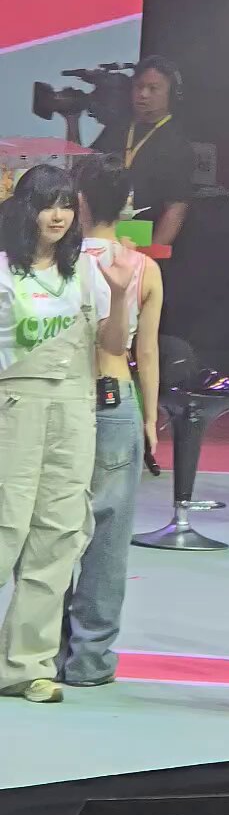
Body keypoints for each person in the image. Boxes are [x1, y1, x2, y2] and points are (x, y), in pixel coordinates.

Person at [0, 164, 132, 703]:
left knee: (58, 535)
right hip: (14, 408)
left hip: (76, 407)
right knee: (5, 527)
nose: (57, 216)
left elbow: (114, 347)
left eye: (65, 205)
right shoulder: (3, 270)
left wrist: (120, 295)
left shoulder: (86, 272)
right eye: (45, 205)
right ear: (24, 210)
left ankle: (25, 665)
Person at [57, 154, 163, 687]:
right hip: (117, 397)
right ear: (126, 205)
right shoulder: (143, 268)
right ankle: (91, 659)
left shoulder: (57, 262)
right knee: (109, 534)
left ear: (77, 200)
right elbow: (148, 352)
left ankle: (42, 648)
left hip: (63, 397)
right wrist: (150, 421)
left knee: (54, 527)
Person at [91, 56, 194, 247]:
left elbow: (176, 209)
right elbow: (83, 168)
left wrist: (151, 256)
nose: (143, 94)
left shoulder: (177, 144)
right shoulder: (117, 128)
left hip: (144, 235)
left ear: (171, 94)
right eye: (139, 87)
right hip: (103, 230)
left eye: (153, 89)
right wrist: (72, 121)